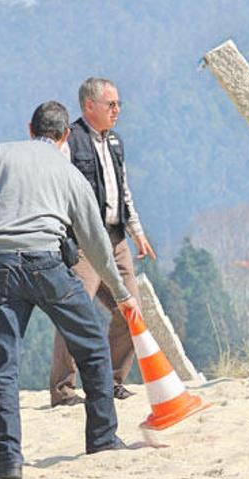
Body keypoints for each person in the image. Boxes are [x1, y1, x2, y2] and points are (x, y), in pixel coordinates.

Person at [0, 101, 139, 479]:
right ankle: (101, 437)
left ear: (30, 128)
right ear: (65, 136)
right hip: (47, 266)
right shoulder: (69, 171)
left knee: (2, 365)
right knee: (93, 345)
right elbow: (95, 240)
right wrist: (120, 292)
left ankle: (7, 461)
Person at [48, 77, 156, 407]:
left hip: (116, 238)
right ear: (89, 106)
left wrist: (136, 230)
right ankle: (63, 388)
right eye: (111, 104)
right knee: (75, 311)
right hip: (83, 243)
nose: (117, 110)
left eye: (119, 104)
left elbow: (122, 190)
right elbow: (58, 191)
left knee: (131, 310)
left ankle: (110, 381)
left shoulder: (116, 143)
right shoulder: (70, 142)